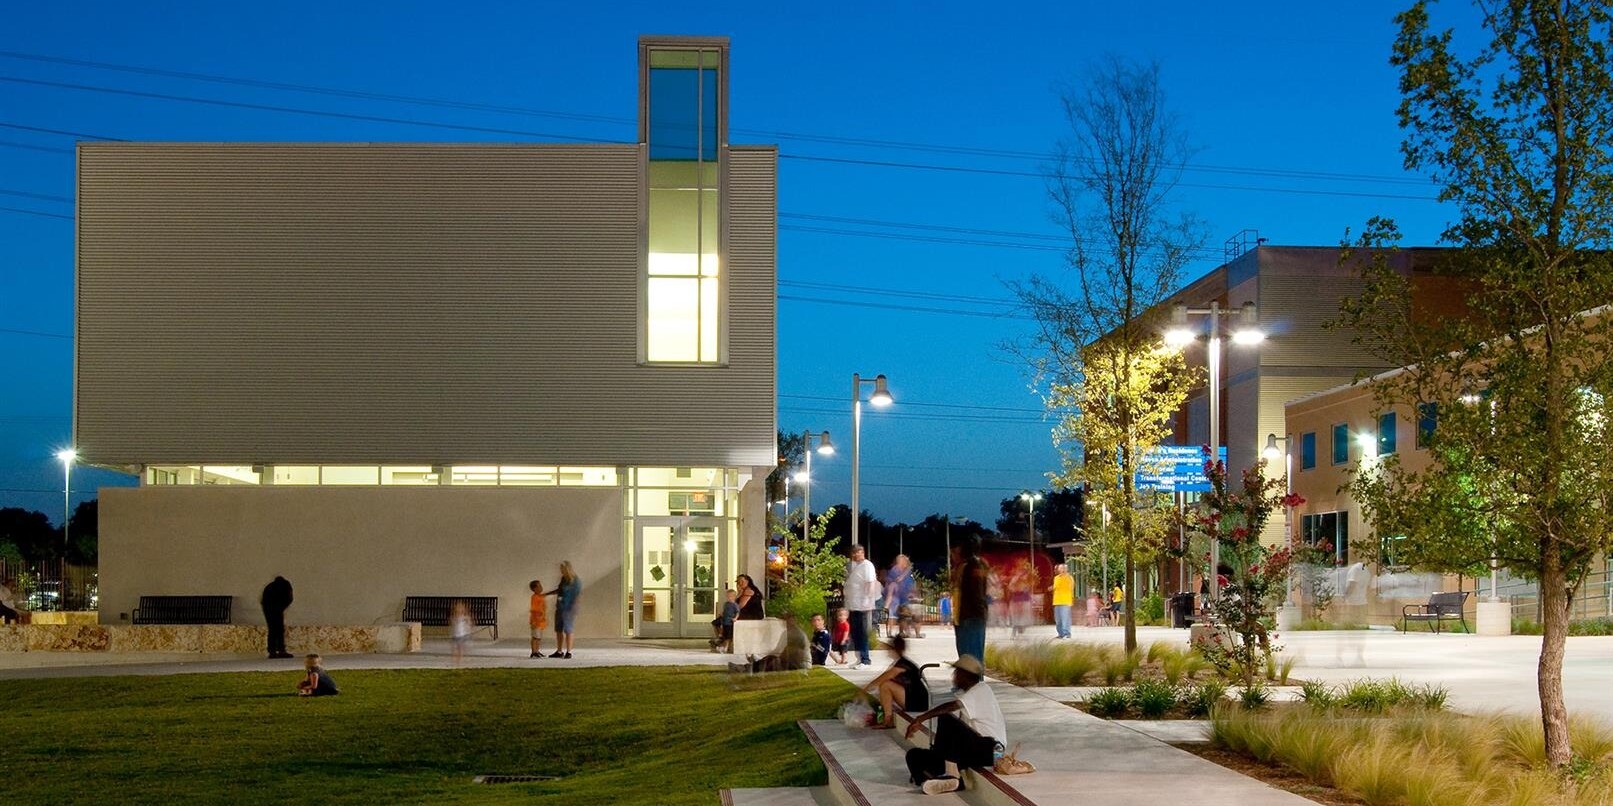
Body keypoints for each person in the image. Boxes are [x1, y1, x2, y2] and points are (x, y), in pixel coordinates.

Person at [903, 654, 1006, 795]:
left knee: (946, 718)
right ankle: (945, 782)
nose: (954, 676)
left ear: (965, 674)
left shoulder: (981, 690)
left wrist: (921, 718)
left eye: (956, 673)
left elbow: (951, 707)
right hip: (972, 750)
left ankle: (952, 776)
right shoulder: (970, 694)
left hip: (991, 749)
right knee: (914, 755)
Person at [861, 635, 931, 729]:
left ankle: (888, 721)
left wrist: (864, 690)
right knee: (884, 686)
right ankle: (887, 716)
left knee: (885, 685)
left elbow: (882, 678)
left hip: (918, 702)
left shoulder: (902, 665)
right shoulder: (901, 662)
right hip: (915, 698)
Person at [729, 613, 810, 673]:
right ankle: (747, 667)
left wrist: (774, 658)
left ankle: (746, 669)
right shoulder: (786, 632)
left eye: (786, 620)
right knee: (769, 659)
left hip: (798, 663)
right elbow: (778, 649)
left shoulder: (796, 633)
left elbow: (789, 652)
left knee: (770, 661)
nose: (783, 623)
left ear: (793, 621)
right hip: (791, 661)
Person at [954, 536, 989, 665]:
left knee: (969, 654)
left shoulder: (970, 566)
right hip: (971, 615)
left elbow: (976, 591)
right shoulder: (977, 565)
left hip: (969, 615)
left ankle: (972, 682)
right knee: (972, 654)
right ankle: (972, 682)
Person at [844, 544, 879, 669]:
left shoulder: (867, 565)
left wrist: (867, 599)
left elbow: (870, 583)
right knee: (856, 633)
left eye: (857, 552)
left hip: (862, 604)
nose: (855, 555)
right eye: (853, 553)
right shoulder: (853, 566)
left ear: (862, 552)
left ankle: (865, 659)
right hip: (853, 604)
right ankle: (860, 659)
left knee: (862, 633)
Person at [545, 561, 581, 659]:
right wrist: (547, 594)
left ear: (567, 569)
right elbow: (559, 590)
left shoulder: (575, 580)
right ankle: (559, 650)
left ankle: (568, 651)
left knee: (568, 629)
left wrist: (574, 607)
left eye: (562, 568)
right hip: (560, 607)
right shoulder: (563, 579)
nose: (560, 570)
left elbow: (577, 594)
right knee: (558, 629)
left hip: (568, 608)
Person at [260, 576, 294, 659]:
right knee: (278, 629)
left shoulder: (270, 587)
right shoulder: (285, 586)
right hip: (273, 609)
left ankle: (273, 651)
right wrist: (281, 608)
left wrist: (280, 608)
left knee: (273, 629)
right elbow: (289, 598)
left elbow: (264, 600)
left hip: (269, 609)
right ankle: (280, 650)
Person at [710, 588, 739, 653]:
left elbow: (737, 612)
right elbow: (725, 611)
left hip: (730, 622)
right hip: (724, 621)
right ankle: (721, 639)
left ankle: (725, 647)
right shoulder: (726, 604)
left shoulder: (735, 605)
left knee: (728, 636)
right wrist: (722, 614)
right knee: (722, 630)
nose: (729, 598)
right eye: (728, 596)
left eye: (730, 596)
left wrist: (735, 618)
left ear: (734, 597)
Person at [1050, 565, 1074, 639]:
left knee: (1065, 619)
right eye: (1060, 568)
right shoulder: (1056, 578)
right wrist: (1051, 588)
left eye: (1063, 568)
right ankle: (1060, 634)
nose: (1061, 570)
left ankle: (1067, 633)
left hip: (1066, 601)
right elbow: (1055, 587)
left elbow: (1071, 587)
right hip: (1057, 601)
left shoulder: (1069, 578)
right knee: (1058, 619)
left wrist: (1065, 575)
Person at [449, 599, 473, 666]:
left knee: (460, 648)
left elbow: (469, 623)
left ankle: (459, 661)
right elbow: (452, 623)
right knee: (454, 648)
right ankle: (455, 660)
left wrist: (469, 624)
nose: (459, 612)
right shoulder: (454, 618)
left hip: (461, 636)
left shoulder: (464, 618)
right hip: (455, 635)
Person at [529, 580, 548, 659]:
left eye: (541, 586)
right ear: (534, 589)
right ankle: (534, 652)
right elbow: (534, 609)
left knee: (539, 637)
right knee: (535, 637)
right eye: (539, 586)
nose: (541, 588)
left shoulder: (540, 596)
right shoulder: (534, 597)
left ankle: (537, 650)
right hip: (535, 621)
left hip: (540, 621)